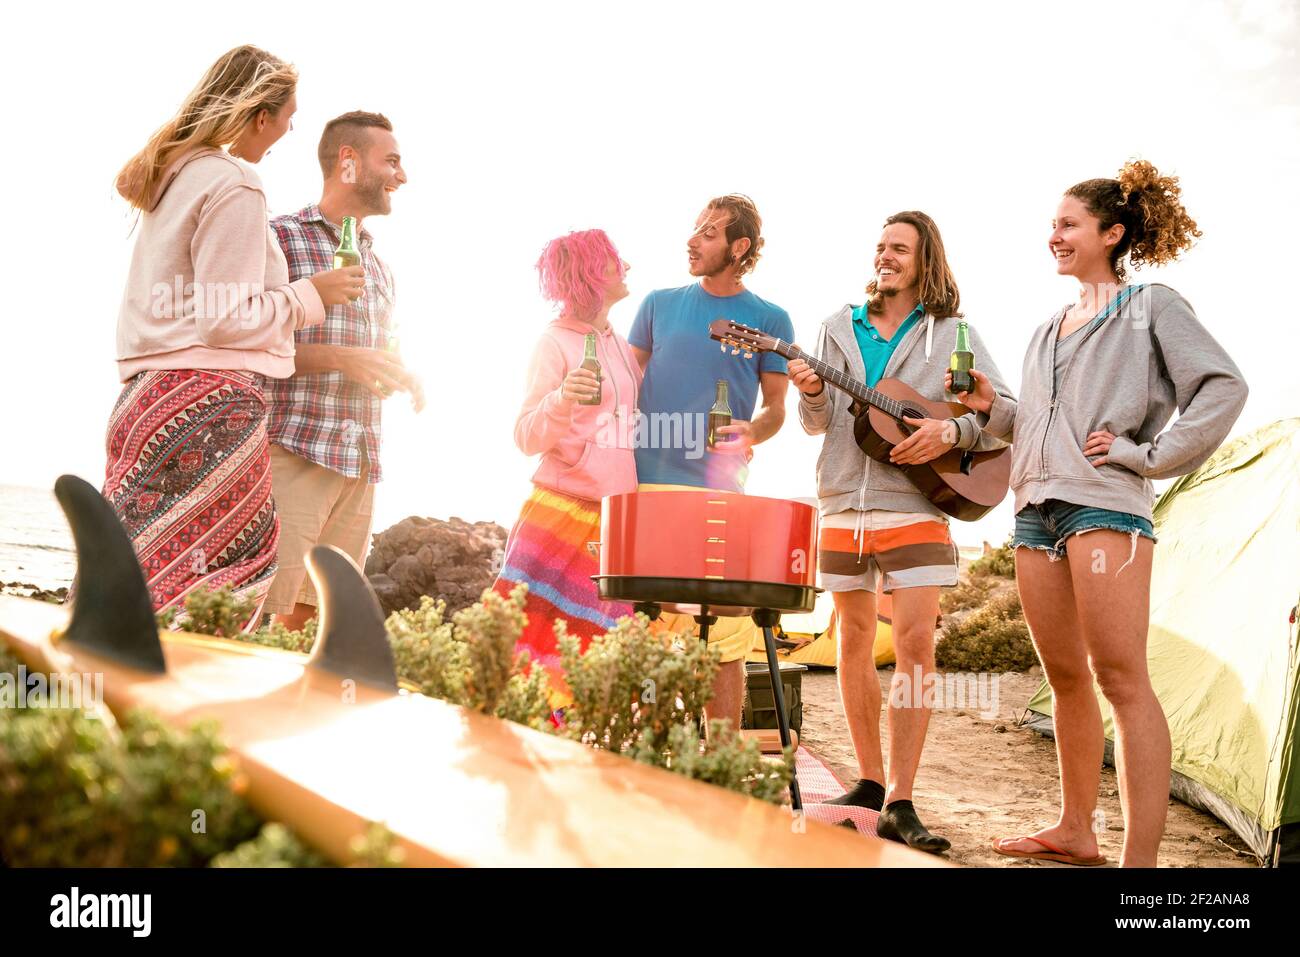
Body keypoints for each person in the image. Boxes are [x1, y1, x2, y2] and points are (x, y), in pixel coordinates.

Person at [953, 160, 1248, 867]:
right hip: (1035, 512)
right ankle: (1075, 828)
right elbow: (1038, 423)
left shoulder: (1152, 306)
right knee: (1065, 677)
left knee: (1121, 677)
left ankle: (1138, 862)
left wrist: (1146, 454)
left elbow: (1223, 386)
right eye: (1053, 223)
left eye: (1067, 224)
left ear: (1111, 233)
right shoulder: (1047, 328)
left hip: (1105, 510)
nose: (1053, 234)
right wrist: (994, 411)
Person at [105, 45, 361, 626]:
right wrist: (311, 294)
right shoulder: (236, 182)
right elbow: (225, 318)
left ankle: (71, 702)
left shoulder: (171, 178)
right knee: (219, 585)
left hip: (145, 401)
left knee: (129, 575)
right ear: (258, 116)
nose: (286, 133)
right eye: (286, 120)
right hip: (210, 406)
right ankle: (177, 713)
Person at [787, 211, 1013, 853]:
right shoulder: (835, 328)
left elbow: (1002, 417)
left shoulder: (954, 332)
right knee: (852, 636)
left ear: (924, 261)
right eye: (880, 246)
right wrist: (808, 393)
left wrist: (951, 431)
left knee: (915, 643)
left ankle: (902, 799)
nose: (885, 255)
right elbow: (816, 422)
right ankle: (867, 780)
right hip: (841, 504)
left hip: (917, 506)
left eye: (900, 248)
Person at [628, 194, 794, 733]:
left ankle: (719, 758)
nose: (693, 240)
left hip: (721, 492)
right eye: (695, 229)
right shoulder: (657, 303)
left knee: (724, 634)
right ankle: (649, 755)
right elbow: (625, 386)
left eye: (708, 232)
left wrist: (754, 431)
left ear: (738, 247)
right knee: (649, 627)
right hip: (647, 486)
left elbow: (775, 410)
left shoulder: (770, 319)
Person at [263, 111, 422, 631]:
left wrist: (400, 373)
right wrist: (343, 360)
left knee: (315, 629)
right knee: (264, 613)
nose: (402, 175)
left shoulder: (380, 265)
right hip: (294, 454)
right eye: (392, 161)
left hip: (360, 466)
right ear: (349, 163)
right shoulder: (279, 238)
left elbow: (370, 356)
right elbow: (251, 345)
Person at [492, 229, 641, 697]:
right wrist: (561, 400)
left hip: (612, 521)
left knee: (597, 650)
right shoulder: (554, 343)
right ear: (595, 273)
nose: (627, 268)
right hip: (561, 513)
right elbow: (525, 436)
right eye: (617, 261)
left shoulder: (616, 341)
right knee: (527, 647)